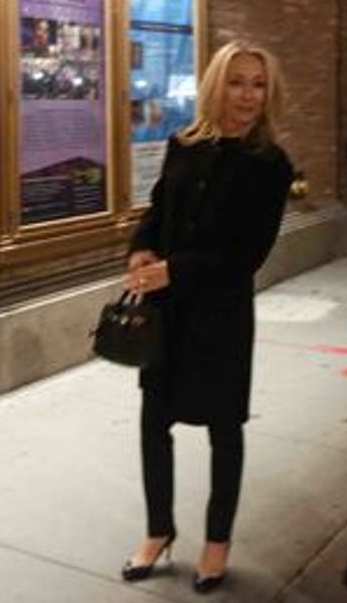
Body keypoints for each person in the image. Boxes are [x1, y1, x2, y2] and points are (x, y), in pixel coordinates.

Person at [121, 41, 294, 594]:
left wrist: (176, 270)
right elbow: (156, 208)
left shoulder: (270, 163)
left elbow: (249, 253)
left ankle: (217, 543)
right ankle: (158, 531)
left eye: (258, 84)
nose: (247, 95)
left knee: (225, 430)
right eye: (238, 81)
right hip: (167, 315)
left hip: (220, 317)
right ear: (217, 84)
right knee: (154, 424)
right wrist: (141, 249)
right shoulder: (184, 144)